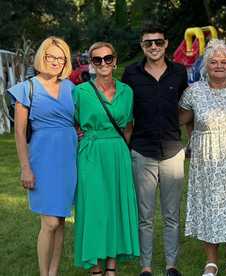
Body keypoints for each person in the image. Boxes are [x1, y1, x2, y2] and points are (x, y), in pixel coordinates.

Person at [179, 39, 226, 276]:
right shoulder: (194, 92)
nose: (219, 65)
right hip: (206, 159)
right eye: (213, 62)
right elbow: (182, 119)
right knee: (208, 206)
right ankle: (211, 262)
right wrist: (193, 138)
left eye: (224, 61)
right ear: (206, 65)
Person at [121, 24, 187, 276]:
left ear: (166, 43)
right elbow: (126, 112)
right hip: (142, 150)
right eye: (148, 43)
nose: (154, 47)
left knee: (171, 213)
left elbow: (188, 107)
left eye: (158, 42)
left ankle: (171, 265)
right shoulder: (131, 74)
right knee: (145, 215)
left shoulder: (179, 72)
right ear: (142, 46)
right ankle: (146, 267)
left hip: (172, 150)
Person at [8, 36, 76, 276]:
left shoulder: (71, 88)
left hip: (69, 160)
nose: (56, 62)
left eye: (61, 58)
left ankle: (53, 272)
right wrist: (25, 168)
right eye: (51, 57)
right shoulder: (27, 88)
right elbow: (18, 132)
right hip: (42, 160)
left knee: (60, 221)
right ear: (42, 57)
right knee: (49, 222)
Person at [73, 42, 139, 275]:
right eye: (97, 59)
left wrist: (121, 149)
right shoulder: (80, 92)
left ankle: (111, 267)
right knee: (94, 208)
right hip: (91, 153)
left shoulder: (126, 91)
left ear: (115, 60)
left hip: (118, 152)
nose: (103, 63)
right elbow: (72, 123)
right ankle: (95, 268)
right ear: (91, 63)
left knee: (114, 207)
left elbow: (128, 126)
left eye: (107, 58)